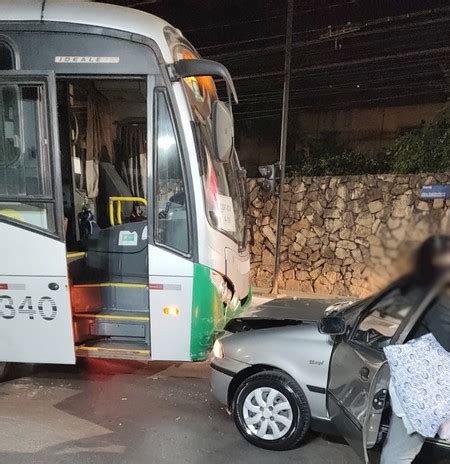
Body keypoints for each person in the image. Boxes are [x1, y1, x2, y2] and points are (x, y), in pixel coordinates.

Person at [380, 235, 450, 464]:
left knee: (399, 450)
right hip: (423, 387)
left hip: (418, 385)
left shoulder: (420, 287)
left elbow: (389, 311)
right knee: (400, 453)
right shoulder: (437, 295)